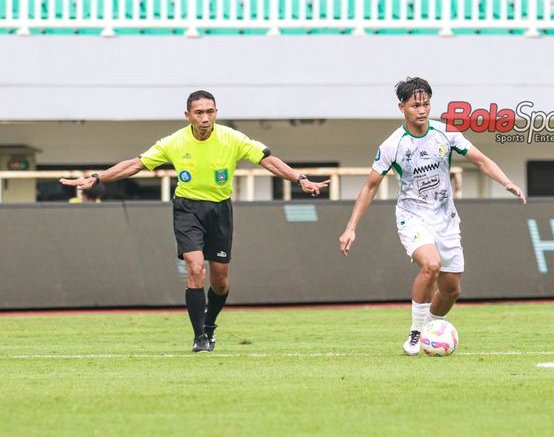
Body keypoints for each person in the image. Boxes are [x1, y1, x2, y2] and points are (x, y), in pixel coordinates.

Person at [60, 90, 329, 353]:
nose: (205, 117)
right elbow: (136, 164)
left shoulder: (231, 138)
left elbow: (268, 160)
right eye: (199, 112)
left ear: (216, 113)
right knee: (195, 267)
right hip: (187, 209)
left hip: (220, 210)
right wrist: (97, 178)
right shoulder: (173, 142)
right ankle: (199, 336)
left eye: (210, 112)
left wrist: (300, 179)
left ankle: (210, 324)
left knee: (220, 281)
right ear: (187, 115)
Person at [338, 77, 526, 356]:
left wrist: (506, 182)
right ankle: (416, 333)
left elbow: (480, 159)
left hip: (446, 218)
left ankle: (431, 329)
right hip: (412, 217)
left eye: (426, 104)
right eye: (416, 105)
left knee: (451, 290)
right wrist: (351, 228)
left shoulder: (445, 133)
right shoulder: (393, 145)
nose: (422, 110)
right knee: (430, 265)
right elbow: (370, 186)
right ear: (402, 107)